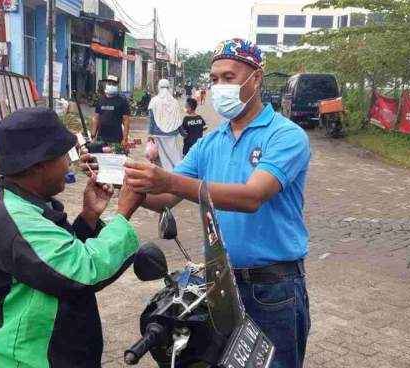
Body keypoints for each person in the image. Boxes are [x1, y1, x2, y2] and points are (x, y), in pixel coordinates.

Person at [122, 39, 312, 368]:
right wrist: (125, 183)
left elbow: (252, 196)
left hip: (272, 290)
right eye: (214, 79)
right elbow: (167, 197)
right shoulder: (211, 142)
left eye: (229, 77)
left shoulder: (285, 135)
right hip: (220, 288)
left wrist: (168, 181)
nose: (219, 86)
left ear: (256, 78)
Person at [0, 107, 145, 368]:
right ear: (39, 163)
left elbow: (57, 258)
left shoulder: (27, 204)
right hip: (28, 361)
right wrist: (123, 214)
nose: (69, 163)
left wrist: (88, 217)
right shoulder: (16, 221)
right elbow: (84, 272)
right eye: (63, 155)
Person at [147, 79, 184, 171]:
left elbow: (152, 119)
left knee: (161, 156)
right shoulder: (174, 101)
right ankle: (176, 171)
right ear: (168, 88)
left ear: (159, 87)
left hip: (158, 133)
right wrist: (182, 132)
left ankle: (164, 173)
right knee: (174, 155)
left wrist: (150, 133)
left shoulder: (154, 101)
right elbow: (178, 120)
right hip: (172, 133)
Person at [92, 75, 130, 145]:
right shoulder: (100, 100)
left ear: (117, 86)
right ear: (106, 84)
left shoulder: (122, 101)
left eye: (114, 84)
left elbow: (126, 120)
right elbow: (96, 118)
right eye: (109, 83)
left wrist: (125, 138)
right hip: (101, 137)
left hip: (116, 138)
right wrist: (93, 135)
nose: (111, 86)